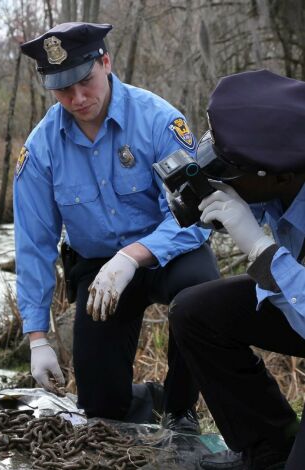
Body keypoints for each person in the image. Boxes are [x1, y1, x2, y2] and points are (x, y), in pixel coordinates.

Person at [14, 22, 220, 432]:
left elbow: (196, 215)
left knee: (200, 294)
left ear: (105, 62)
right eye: (62, 89)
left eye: (85, 82)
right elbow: (34, 244)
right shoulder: (40, 151)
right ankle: (147, 399)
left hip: (169, 254)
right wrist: (37, 338)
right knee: (102, 410)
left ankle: (180, 411)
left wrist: (133, 256)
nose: (77, 99)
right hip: (98, 271)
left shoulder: (160, 121)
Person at [168, 69, 305, 469]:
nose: (222, 177)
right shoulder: (287, 164)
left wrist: (259, 248)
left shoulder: (282, 169)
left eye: (231, 172)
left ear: (281, 174)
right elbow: (261, 196)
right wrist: (203, 198)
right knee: (195, 312)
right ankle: (268, 444)